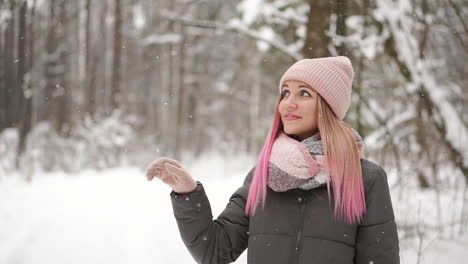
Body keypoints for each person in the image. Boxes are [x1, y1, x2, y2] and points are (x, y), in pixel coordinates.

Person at [146, 56, 400, 264]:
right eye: (285, 93)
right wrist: (187, 194)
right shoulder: (265, 174)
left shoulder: (366, 178)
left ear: (327, 107)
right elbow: (215, 251)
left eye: (304, 94)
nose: (288, 103)